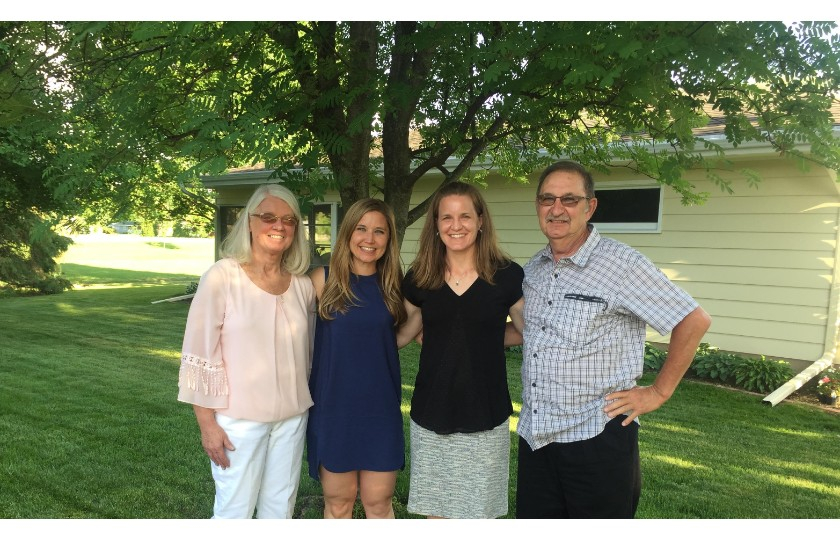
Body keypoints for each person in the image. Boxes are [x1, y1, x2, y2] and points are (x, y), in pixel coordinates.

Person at [512, 160, 712, 519]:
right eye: (547, 199)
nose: (557, 209)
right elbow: (531, 331)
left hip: (596, 438)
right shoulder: (534, 269)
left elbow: (693, 319)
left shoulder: (622, 265)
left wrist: (658, 392)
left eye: (569, 199)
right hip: (536, 439)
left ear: (590, 207)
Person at [177, 184, 315, 519]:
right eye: (268, 217)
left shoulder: (302, 285)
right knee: (234, 513)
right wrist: (207, 424)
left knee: (280, 511)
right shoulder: (222, 277)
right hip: (238, 421)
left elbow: (311, 349)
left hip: (292, 419)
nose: (279, 226)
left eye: (288, 220)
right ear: (250, 222)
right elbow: (199, 353)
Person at [400, 181, 525, 519]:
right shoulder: (420, 277)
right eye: (447, 217)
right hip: (432, 413)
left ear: (481, 220)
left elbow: (528, 331)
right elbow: (404, 332)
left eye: (465, 216)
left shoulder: (507, 276)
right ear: (436, 225)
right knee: (437, 515)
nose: (456, 226)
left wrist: (478, 335)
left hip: (485, 414)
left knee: (479, 515)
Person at [306, 198, 416, 519]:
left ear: (389, 238)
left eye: (379, 231)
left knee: (379, 504)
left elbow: (410, 326)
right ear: (347, 233)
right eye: (361, 229)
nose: (370, 239)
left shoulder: (394, 285)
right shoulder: (322, 280)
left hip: (380, 410)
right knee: (338, 504)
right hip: (333, 409)